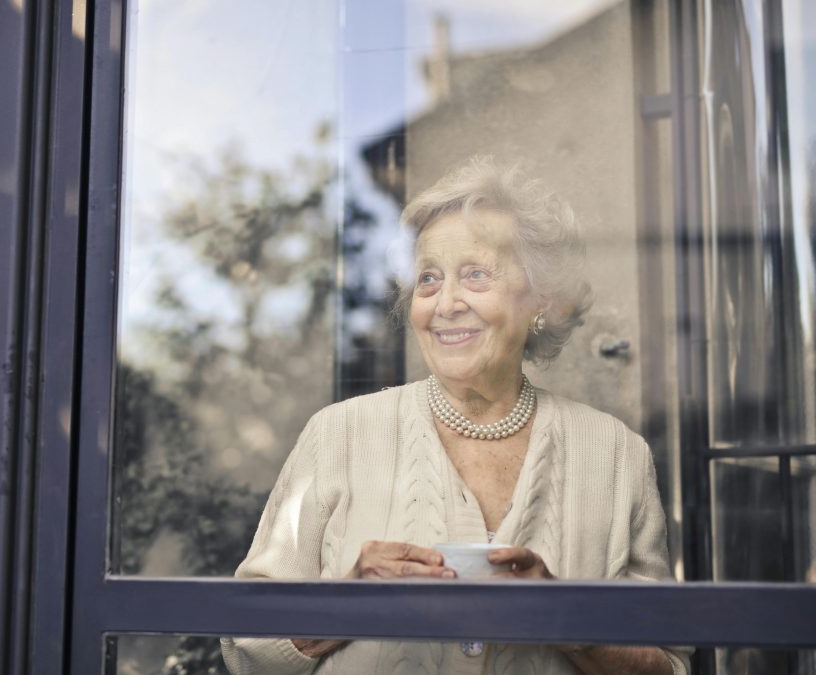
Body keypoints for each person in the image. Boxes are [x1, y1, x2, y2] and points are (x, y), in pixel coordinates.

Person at [220, 158, 690, 675]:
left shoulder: (617, 454)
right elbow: (248, 646)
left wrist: (562, 617)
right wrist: (349, 601)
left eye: (475, 275)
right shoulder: (339, 434)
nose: (445, 304)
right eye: (428, 279)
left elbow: (666, 665)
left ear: (541, 300)